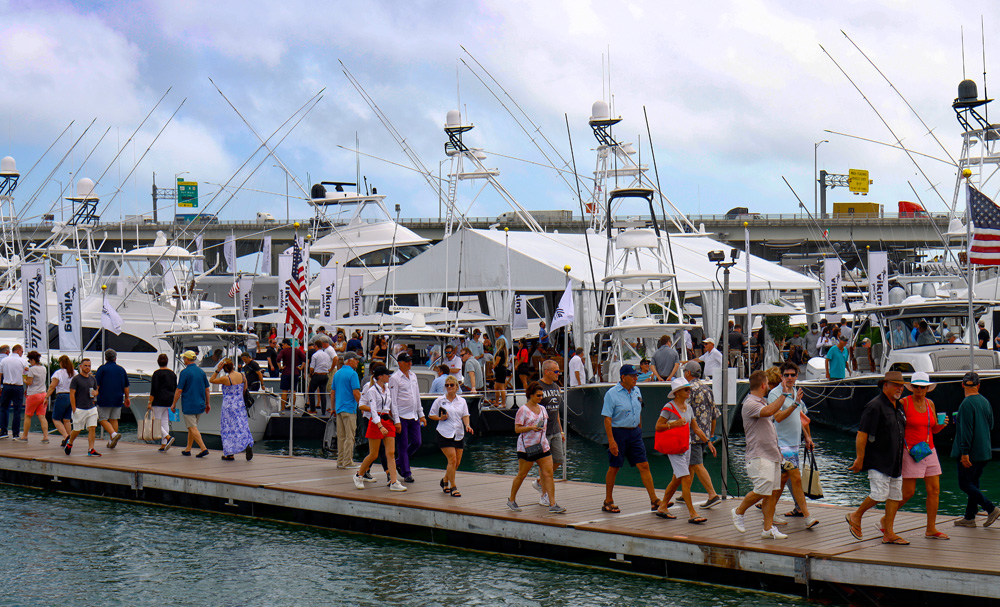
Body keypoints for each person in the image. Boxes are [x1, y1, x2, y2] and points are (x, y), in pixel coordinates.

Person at [845, 371, 908, 544]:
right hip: (878, 460)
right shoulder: (874, 406)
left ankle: (889, 533)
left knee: (895, 496)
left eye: (901, 386)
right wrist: (860, 458)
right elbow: (862, 433)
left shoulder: (899, 406)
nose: (899, 388)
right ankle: (856, 515)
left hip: (895, 461)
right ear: (885, 385)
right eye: (896, 385)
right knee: (880, 494)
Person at [730, 370, 786, 539]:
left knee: (771, 493)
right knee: (762, 490)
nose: (768, 386)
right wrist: (784, 394)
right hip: (759, 455)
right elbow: (769, 411)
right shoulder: (750, 403)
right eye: (767, 383)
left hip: (772, 454)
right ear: (763, 385)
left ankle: (768, 529)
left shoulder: (761, 402)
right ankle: (739, 511)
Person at [601, 364, 661, 513]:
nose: (636, 378)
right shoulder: (611, 394)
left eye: (636, 376)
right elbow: (607, 418)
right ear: (623, 377)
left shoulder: (637, 391)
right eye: (633, 376)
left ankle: (654, 500)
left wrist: (639, 429)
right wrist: (611, 441)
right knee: (614, 466)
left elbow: (638, 410)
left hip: (634, 433)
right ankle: (608, 501)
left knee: (644, 465)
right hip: (618, 433)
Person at [653, 377, 714, 524]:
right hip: (674, 448)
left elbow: (696, 428)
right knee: (686, 479)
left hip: (686, 446)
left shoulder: (688, 408)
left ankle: (662, 506)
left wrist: (708, 441)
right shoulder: (668, 407)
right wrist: (674, 424)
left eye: (689, 389)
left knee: (677, 479)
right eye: (686, 389)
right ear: (677, 392)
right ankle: (692, 513)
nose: (689, 391)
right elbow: (658, 426)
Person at [896, 372, 949, 538]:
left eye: (922, 387)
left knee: (934, 490)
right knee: (908, 492)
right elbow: (895, 427)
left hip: (928, 450)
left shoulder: (929, 403)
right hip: (910, 451)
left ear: (927, 388)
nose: (919, 389)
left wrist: (941, 426)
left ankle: (931, 529)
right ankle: (886, 519)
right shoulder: (904, 403)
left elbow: (932, 429)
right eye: (916, 386)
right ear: (911, 388)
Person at [768, 361, 819, 529]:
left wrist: (808, 437)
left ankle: (769, 512)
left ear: (797, 376)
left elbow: (800, 418)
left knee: (782, 480)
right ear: (781, 377)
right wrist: (795, 403)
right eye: (786, 375)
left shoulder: (795, 392)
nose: (789, 378)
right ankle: (807, 516)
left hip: (794, 444)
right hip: (782, 444)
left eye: (792, 375)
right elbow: (778, 417)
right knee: (796, 479)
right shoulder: (775, 394)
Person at [507, 381, 565, 513]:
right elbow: (517, 429)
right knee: (522, 474)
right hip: (527, 447)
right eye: (538, 395)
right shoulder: (523, 410)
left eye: (541, 395)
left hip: (542, 445)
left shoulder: (543, 409)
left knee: (548, 473)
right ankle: (511, 499)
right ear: (531, 395)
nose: (541, 398)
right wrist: (531, 428)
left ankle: (552, 503)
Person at [951, 371, 1000, 528]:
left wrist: (964, 453)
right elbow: (991, 425)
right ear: (978, 385)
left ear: (962, 385)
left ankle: (990, 508)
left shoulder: (966, 404)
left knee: (964, 484)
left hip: (970, 453)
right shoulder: (985, 402)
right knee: (974, 483)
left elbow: (967, 431)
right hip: (984, 451)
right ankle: (969, 517)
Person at [354, 366, 407, 492]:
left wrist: (397, 422)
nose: (389, 376)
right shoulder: (372, 390)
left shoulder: (388, 389)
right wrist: (380, 426)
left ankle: (393, 481)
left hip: (387, 420)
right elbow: (373, 410)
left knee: (390, 453)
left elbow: (393, 406)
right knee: (374, 454)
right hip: (376, 422)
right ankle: (359, 475)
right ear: (380, 376)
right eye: (386, 374)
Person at [681, 361, 722, 508]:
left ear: (688, 373)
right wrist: (711, 435)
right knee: (691, 463)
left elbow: (683, 411)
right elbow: (714, 414)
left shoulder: (688, 390)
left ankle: (712, 494)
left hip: (693, 434)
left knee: (697, 464)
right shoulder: (707, 389)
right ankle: (685, 493)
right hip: (705, 433)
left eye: (684, 371)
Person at [429, 376, 473, 497]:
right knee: (452, 460)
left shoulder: (462, 401)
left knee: (457, 463)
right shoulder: (440, 400)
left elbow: (465, 415)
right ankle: (453, 486)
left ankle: (445, 480)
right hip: (444, 432)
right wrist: (440, 418)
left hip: (458, 433)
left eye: (451, 385)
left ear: (456, 387)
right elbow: (431, 415)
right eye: (447, 385)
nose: (449, 387)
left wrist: (467, 425)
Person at [531, 360, 565, 506]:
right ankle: (544, 495)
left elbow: (556, 411)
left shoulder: (556, 387)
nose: (559, 374)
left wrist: (561, 430)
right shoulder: (537, 387)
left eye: (559, 371)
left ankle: (539, 482)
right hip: (542, 432)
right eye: (556, 371)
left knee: (558, 459)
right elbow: (532, 409)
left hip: (555, 430)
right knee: (544, 465)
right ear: (547, 371)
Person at [388, 352, 424, 483]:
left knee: (417, 442)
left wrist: (421, 414)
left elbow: (417, 396)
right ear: (400, 363)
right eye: (407, 361)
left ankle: (399, 462)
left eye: (410, 361)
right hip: (402, 416)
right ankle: (406, 472)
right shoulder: (395, 378)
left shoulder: (413, 376)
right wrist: (396, 420)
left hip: (413, 415)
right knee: (402, 445)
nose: (410, 363)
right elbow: (393, 400)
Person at [208, 358, 253, 461]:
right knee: (242, 425)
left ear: (224, 368)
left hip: (228, 406)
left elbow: (212, 380)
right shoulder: (242, 376)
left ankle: (229, 453)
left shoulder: (226, 378)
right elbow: (244, 389)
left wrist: (217, 370)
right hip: (239, 404)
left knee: (228, 428)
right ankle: (247, 442)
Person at [172, 350, 211, 458]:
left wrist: (174, 404)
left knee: (192, 427)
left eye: (184, 358)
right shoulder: (201, 372)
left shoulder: (184, 372)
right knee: (192, 427)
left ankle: (203, 448)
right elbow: (207, 389)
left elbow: (179, 390)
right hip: (200, 403)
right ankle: (188, 449)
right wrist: (208, 403)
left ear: (187, 359)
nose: (183, 360)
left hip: (189, 404)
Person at [65, 359, 102, 456]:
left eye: (89, 366)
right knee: (77, 430)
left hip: (91, 407)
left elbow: (96, 390)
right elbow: (72, 394)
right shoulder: (76, 379)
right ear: (81, 366)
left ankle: (91, 449)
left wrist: (95, 393)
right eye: (85, 365)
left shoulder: (92, 379)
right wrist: (74, 408)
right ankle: (70, 443)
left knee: (92, 427)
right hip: (80, 408)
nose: (87, 368)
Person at [331, 352, 362, 469]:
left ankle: (340, 461)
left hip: (339, 409)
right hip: (349, 409)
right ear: (349, 361)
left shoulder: (337, 373)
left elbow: (332, 393)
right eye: (356, 359)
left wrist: (333, 408)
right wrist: (362, 406)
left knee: (341, 437)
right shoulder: (353, 374)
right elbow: (356, 392)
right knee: (350, 436)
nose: (358, 361)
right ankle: (348, 461)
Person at [94, 349, 127, 449]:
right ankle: (112, 440)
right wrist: (127, 398)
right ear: (115, 358)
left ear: (105, 358)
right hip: (118, 397)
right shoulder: (121, 369)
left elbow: (97, 385)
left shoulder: (102, 369)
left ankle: (113, 434)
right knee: (114, 419)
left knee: (102, 419)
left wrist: (93, 395)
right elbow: (126, 386)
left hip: (105, 398)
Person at [16, 351, 49, 443]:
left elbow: (29, 382)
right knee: (42, 416)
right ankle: (45, 437)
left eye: (29, 361)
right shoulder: (44, 368)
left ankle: (24, 436)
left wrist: (24, 378)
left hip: (33, 394)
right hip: (43, 394)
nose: (30, 362)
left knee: (28, 416)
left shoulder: (32, 370)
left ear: (32, 360)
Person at [148, 353, 177, 452]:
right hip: (169, 400)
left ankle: (168, 437)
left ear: (158, 362)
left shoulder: (157, 374)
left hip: (158, 401)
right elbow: (175, 388)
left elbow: (154, 389)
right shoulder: (172, 374)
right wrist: (174, 402)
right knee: (165, 422)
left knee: (155, 422)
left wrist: (150, 402)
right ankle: (163, 444)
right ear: (167, 362)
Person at [0, 344, 28, 439]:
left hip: (6, 386)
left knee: (4, 408)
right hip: (18, 386)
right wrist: (26, 387)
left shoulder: (4, 360)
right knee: (17, 410)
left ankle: (4, 431)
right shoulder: (22, 361)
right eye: (22, 351)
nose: (22, 353)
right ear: (18, 350)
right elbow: (25, 375)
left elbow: (0, 374)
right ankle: (15, 433)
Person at [47, 355, 76, 446]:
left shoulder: (58, 373)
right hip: (71, 396)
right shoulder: (74, 372)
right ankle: (69, 440)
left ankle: (66, 436)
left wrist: (46, 397)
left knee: (56, 419)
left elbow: (52, 386)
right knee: (67, 419)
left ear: (61, 363)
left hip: (62, 395)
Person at [277, 338, 306, 411]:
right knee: (293, 391)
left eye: (282, 345)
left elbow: (278, 359)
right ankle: (293, 408)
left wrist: (280, 367)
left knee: (284, 391)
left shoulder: (283, 351)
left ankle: (283, 408)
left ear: (286, 344)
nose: (282, 347)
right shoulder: (297, 350)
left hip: (286, 372)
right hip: (295, 372)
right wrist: (301, 367)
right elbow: (304, 358)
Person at [307, 336, 333, 415]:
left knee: (311, 391)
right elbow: (328, 365)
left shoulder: (315, 355)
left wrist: (311, 374)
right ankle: (323, 411)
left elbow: (312, 367)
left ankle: (313, 409)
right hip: (325, 375)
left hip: (317, 375)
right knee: (323, 392)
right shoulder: (326, 355)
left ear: (316, 346)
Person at [492, 327, 510, 407]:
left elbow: (497, 361)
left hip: (500, 369)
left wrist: (494, 365)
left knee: (501, 386)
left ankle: (503, 403)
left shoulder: (500, 351)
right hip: (501, 369)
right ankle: (497, 402)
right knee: (496, 386)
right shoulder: (504, 351)